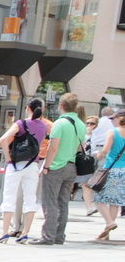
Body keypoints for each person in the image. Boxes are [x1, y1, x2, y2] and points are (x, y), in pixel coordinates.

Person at [0, 98, 48, 244]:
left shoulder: (21, 123)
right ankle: (25, 232)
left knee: (9, 197)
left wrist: (1, 154)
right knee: (31, 198)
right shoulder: (44, 126)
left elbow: (5, 139)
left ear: (28, 108)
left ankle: (5, 232)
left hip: (16, 164)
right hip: (33, 164)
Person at [36, 94, 84, 245]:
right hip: (71, 165)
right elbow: (78, 147)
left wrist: (46, 166)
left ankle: (47, 236)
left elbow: (53, 147)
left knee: (49, 201)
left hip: (56, 166)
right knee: (63, 202)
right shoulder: (81, 124)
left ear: (61, 105)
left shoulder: (60, 123)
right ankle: (59, 235)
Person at [90, 114, 125, 241]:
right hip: (124, 170)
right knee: (114, 201)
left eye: (113, 119)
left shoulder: (113, 132)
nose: (112, 121)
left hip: (112, 168)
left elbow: (105, 150)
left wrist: (98, 155)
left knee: (98, 197)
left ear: (120, 119)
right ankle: (106, 232)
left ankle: (109, 222)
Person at [83, 107, 115, 214]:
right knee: (101, 177)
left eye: (92, 123)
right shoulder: (112, 124)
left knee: (90, 180)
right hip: (104, 152)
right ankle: (98, 203)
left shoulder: (99, 123)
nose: (90, 125)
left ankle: (92, 206)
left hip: (93, 153)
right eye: (88, 123)